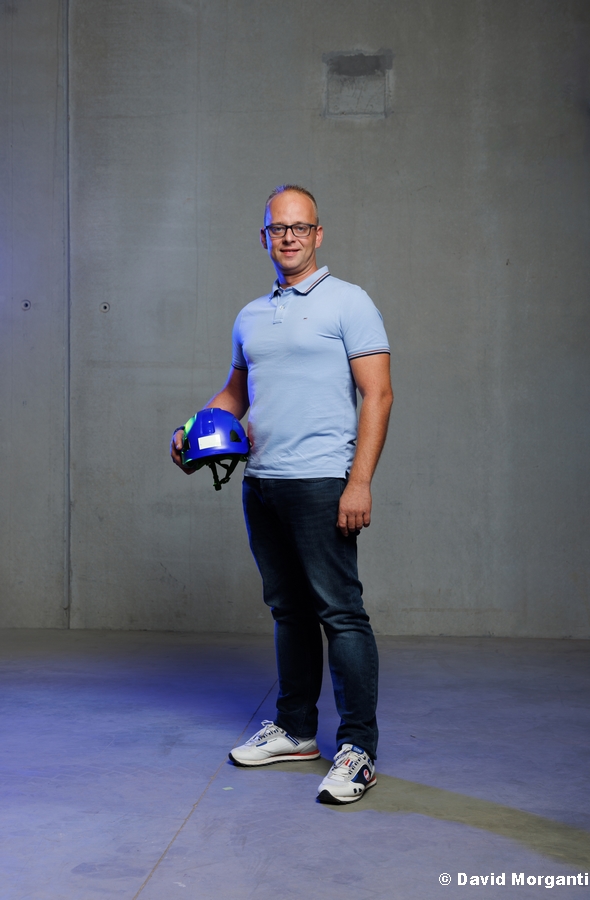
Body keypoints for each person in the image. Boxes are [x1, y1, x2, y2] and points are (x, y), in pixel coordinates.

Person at [171, 185, 393, 804]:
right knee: (288, 611)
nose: (289, 236)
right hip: (263, 482)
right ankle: (297, 730)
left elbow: (378, 395)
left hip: (324, 481)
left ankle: (358, 749)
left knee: (340, 614)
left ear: (318, 235)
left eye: (300, 227)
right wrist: (192, 429)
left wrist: (360, 480)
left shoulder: (350, 302)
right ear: (264, 237)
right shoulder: (251, 315)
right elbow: (236, 392)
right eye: (278, 228)